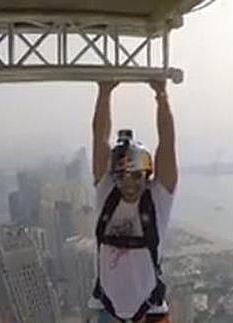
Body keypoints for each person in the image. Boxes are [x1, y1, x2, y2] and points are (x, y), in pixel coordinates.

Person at [89, 80, 178, 323]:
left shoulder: (157, 198)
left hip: (150, 312)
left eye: (136, 176)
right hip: (107, 310)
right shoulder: (107, 193)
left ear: (146, 174)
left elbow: (167, 144)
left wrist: (161, 96)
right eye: (122, 177)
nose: (129, 184)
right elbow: (100, 139)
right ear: (114, 177)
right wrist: (104, 92)